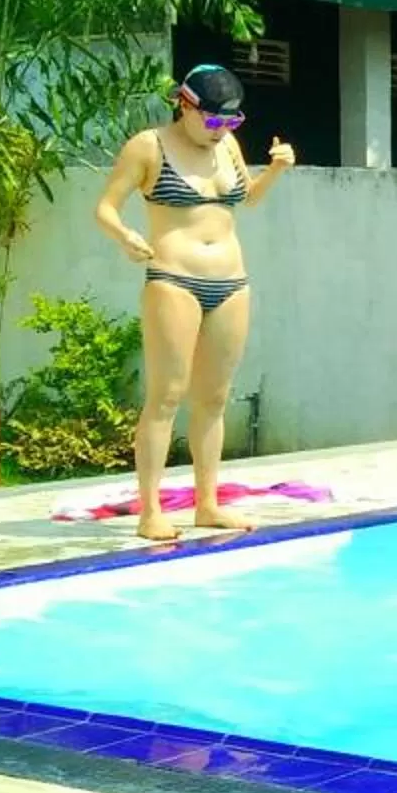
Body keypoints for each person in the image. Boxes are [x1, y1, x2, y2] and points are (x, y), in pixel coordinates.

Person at [95, 62, 294, 544]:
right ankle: (151, 512)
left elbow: (246, 198)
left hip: (231, 282)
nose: (221, 129)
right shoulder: (149, 146)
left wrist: (276, 171)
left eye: (231, 120)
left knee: (214, 398)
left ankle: (208, 505)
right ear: (184, 105)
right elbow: (105, 207)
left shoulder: (227, 145)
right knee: (166, 396)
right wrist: (125, 236)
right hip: (174, 279)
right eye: (213, 119)